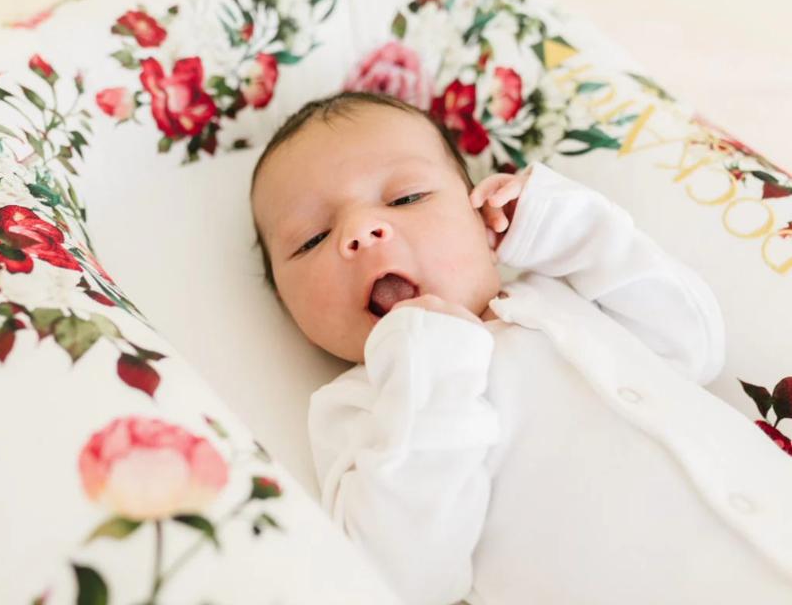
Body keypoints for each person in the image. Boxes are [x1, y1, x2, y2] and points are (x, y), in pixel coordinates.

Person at [249, 90, 792, 605]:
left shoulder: (561, 295)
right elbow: (405, 575)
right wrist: (427, 360)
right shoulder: (358, 406)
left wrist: (569, 230)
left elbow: (694, 344)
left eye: (406, 197)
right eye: (312, 239)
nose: (362, 230)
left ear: (482, 220)